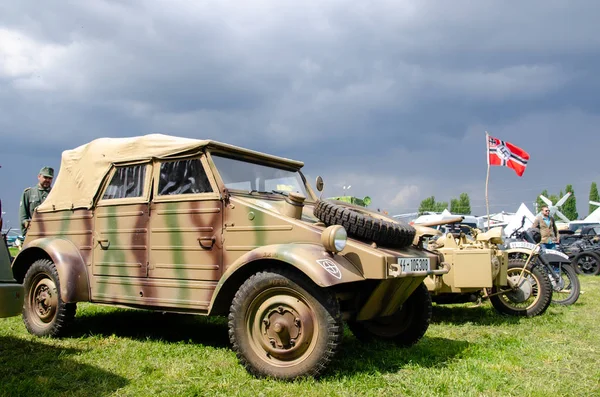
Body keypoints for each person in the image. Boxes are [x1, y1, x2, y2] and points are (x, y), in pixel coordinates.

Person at [19, 166, 54, 236]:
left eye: (50, 178)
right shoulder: (29, 193)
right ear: (39, 177)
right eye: (45, 177)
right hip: (34, 232)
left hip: (51, 232)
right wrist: (25, 232)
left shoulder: (55, 193)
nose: (47, 180)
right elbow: (23, 216)